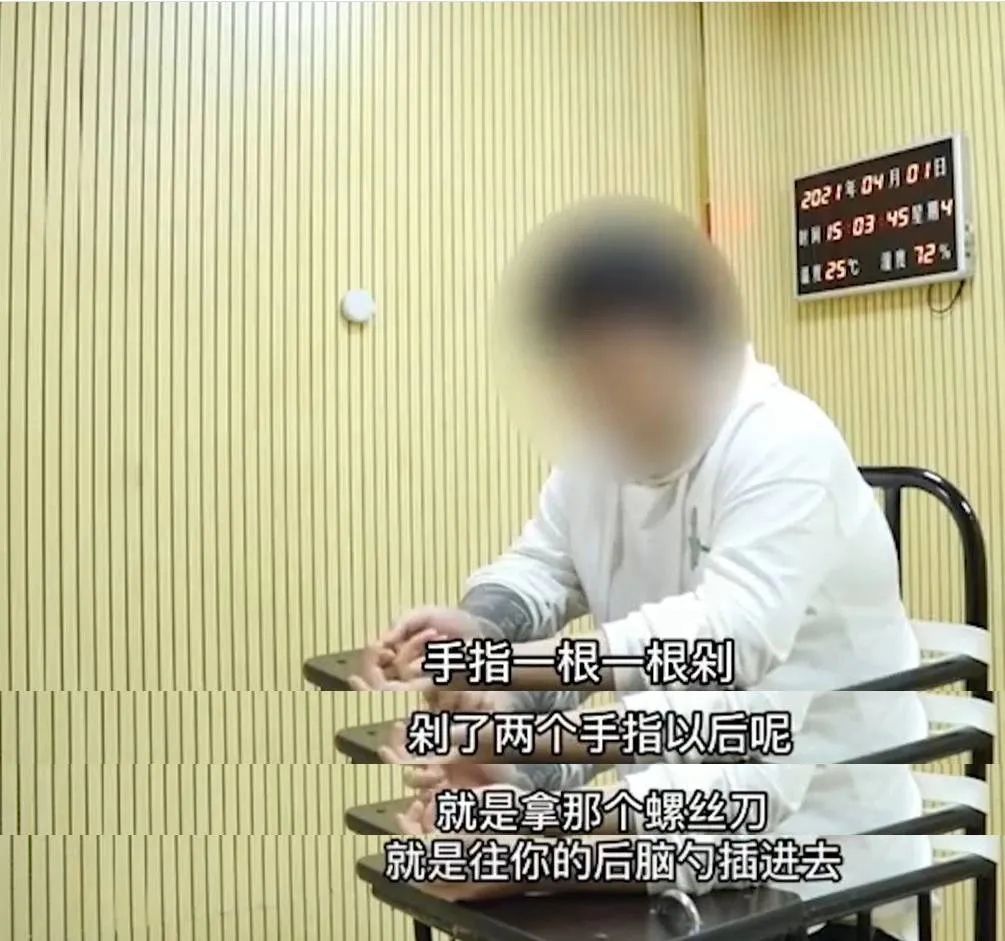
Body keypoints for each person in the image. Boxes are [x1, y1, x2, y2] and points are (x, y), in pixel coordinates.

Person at [350, 198, 929, 941]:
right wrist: (479, 633)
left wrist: (529, 838)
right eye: (583, 383)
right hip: (677, 854)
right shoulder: (603, 449)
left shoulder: (783, 443)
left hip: (827, 884)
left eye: (619, 378)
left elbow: (728, 651)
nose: (601, 407)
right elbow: (541, 564)